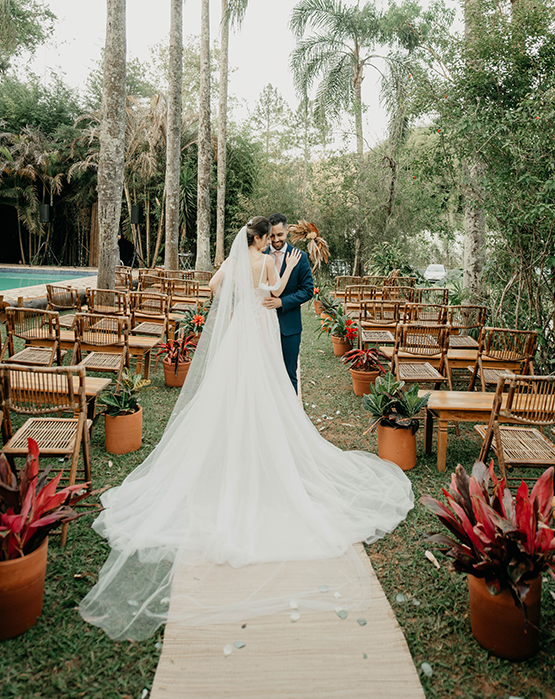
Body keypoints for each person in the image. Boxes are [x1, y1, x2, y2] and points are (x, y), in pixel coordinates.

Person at [79, 217, 414, 641]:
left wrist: (238, 300)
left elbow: (214, 289)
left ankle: (229, 449)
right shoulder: (267, 262)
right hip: (262, 329)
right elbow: (273, 294)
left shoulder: (235, 260)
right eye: (267, 238)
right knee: (268, 392)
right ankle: (262, 449)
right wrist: (287, 272)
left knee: (229, 392)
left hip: (239, 329)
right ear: (261, 240)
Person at [262, 212, 314, 393]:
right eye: (272, 236)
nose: (276, 240)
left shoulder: (300, 257)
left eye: (280, 235)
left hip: (289, 327)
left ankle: (291, 418)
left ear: (286, 232)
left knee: (289, 373)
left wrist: (282, 302)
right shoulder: (260, 255)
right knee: (265, 374)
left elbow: (308, 291)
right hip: (263, 325)